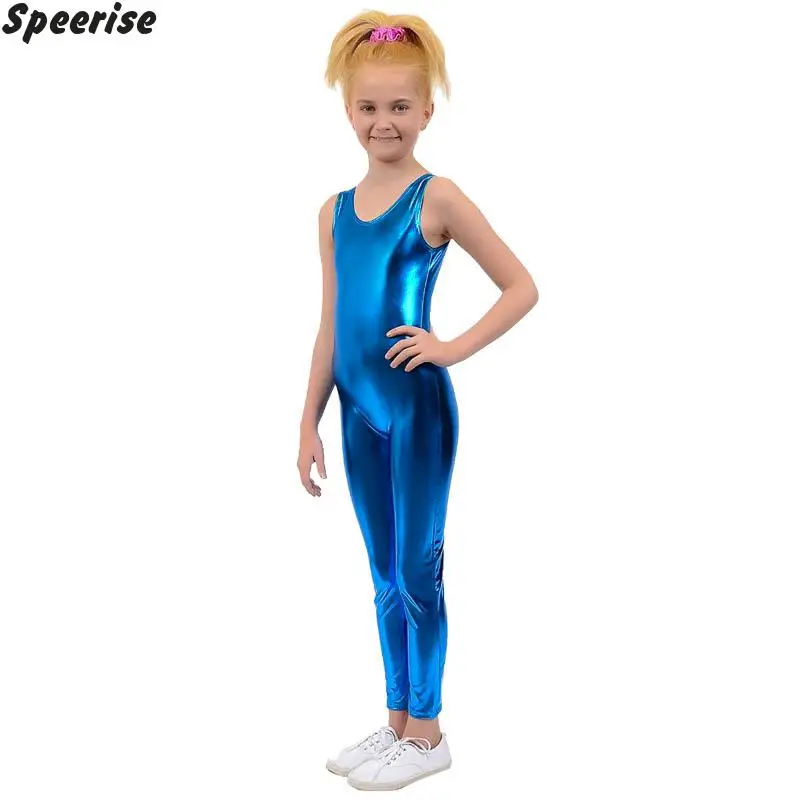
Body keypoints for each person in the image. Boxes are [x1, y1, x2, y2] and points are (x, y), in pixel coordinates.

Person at [297, 10, 539, 791]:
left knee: (416, 567)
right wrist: (307, 420)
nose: (384, 121)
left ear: (427, 111)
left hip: (416, 409)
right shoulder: (333, 212)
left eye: (400, 106)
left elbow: (521, 286)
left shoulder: (437, 198)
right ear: (348, 111)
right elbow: (332, 323)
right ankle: (398, 719)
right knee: (380, 573)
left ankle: (429, 731)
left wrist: (449, 347)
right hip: (356, 412)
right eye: (369, 107)